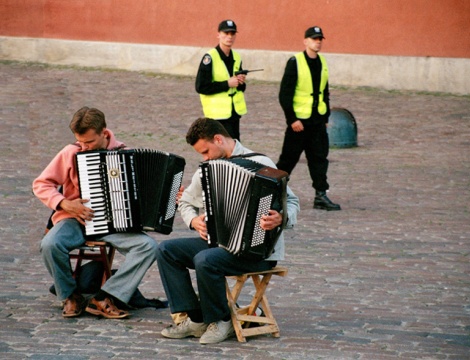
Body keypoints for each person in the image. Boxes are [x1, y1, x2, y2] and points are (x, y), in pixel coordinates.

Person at [156, 118, 300, 344]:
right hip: (219, 244)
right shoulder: (207, 169)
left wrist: (281, 218)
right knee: (166, 250)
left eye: (206, 151)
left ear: (218, 139)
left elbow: (291, 200)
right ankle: (196, 319)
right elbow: (185, 202)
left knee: (206, 259)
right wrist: (194, 221)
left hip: (258, 252)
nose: (204, 158)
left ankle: (221, 321)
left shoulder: (261, 162)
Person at [33, 107, 158, 319]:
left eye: (89, 142)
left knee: (148, 247)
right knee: (49, 244)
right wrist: (64, 203)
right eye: (80, 141)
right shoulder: (70, 152)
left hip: (112, 224)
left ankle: (105, 296)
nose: (84, 146)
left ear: (104, 132)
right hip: (75, 220)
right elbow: (41, 184)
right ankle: (70, 296)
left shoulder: (125, 154)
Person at [276, 26, 341, 211]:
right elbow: (285, 94)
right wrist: (292, 119)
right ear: (305, 41)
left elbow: (324, 92)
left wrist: (326, 115)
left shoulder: (322, 61)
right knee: (287, 160)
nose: (317, 41)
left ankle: (321, 195)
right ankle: (271, 193)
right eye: (314, 39)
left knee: (320, 159)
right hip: (299, 124)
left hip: (317, 121)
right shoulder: (295, 62)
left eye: (320, 38)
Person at [195, 19, 247, 141]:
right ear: (218, 35)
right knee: (222, 152)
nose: (229, 37)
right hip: (217, 116)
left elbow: (241, 88)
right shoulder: (210, 57)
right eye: (226, 33)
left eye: (232, 34)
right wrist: (227, 84)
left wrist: (240, 82)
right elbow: (201, 86)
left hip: (234, 113)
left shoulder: (237, 57)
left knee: (234, 149)